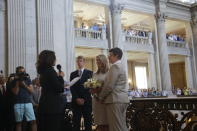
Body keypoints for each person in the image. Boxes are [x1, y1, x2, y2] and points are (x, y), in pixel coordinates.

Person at [99, 47, 129, 131]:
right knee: (121, 126)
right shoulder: (121, 66)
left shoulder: (115, 66)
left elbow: (109, 86)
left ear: (117, 56)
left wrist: (101, 97)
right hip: (121, 99)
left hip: (115, 100)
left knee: (116, 128)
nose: (108, 57)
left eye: (110, 55)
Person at [36, 50, 65, 131]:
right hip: (52, 107)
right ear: (50, 59)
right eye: (54, 58)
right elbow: (59, 89)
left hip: (44, 105)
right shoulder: (50, 71)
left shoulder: (42, 70)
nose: (55, 60)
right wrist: (60, 77)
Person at [70, 56, 93, 131]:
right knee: (76, 122)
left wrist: (84, 99)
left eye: (80, 61)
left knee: (88, 122)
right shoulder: (73, 74)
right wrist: (76, 98)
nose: (79, 63)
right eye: (77, 61)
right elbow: (72, 87)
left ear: (84, 62)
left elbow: (90, 87)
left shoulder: (90, 73)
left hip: (86, 101)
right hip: (76, 101)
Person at [11, 66, 37, 131]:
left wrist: (24, 85)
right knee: (19, 123)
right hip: (18, 103)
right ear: (17, 73)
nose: (22, 73)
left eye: (23, 72)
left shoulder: (28, 79)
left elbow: (31, 91)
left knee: (33, 121)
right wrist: (17, 82)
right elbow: (15, 93)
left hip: (28, 103)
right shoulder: (13, 81)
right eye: (20, 72)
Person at [91, 55, 109, 131]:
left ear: (104, 61)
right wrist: (92, 89)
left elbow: (109, 87)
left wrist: (100, 90)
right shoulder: (94, 74)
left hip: (105, 100)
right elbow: (92, 85)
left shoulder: (109, 73)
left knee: (106, 122)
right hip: (96, 100)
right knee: (99, 122)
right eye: (96, 60)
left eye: (99, 60)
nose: (97, 62)